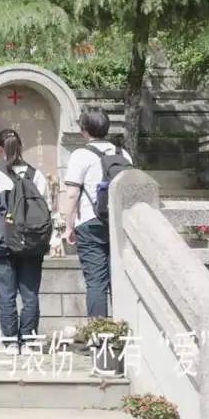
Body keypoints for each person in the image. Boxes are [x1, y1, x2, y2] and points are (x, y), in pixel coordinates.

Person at [0, 129, 51, 355]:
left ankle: (10, 342)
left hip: (3, 242)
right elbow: (48, 211)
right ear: (21, 146)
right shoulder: (37, 176)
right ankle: (29, 341)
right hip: (32, 243)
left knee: (6, 294)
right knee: (30, 294)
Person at [60, 107, 132, 318]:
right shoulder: (123, 154)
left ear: (84, 130)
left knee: (96, 283)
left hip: (90, 223)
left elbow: (72, 194)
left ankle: (99, 333)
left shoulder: (81, 155)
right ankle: (124, 328)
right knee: (119, 280)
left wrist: (68, 226)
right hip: (119, 223)